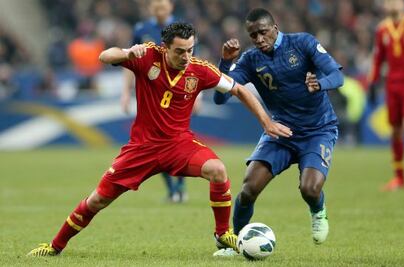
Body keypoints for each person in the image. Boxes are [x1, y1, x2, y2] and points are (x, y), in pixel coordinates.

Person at [27, 22, 292, 257]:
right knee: (97, 200)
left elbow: (239, 90)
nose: (187, 56)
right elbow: (105, 56)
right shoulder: (147, 56)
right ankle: (55, 246)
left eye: (191, 50)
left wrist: (266, 122)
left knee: (218, 170)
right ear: (165, 48)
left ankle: (223, 233)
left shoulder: (200, 70)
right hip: (141, 149)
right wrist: (128, 52)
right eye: (180, 51)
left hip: (179, 146)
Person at [212, 8, 343, 256]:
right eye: (253, 35)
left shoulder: (303, 43)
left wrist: (320, 84)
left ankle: (318, 210)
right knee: (249, 189)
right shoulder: (251, 60)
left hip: (318, 130)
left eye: (262, 32)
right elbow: (220, 98)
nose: (259, 39)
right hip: (280, 130)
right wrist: (226, 63)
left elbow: (337, 75)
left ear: (274, 27)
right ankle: (237, 243)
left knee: (310, 189)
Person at [122, 0, 187, 202]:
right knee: (156, 142)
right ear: (150, 9)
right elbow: (130, 60)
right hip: (152, 92)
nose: (160, 11)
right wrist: (125, 92)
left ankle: (180, 187)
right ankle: (173, 190)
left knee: (178, 140)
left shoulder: (181, 28)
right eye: (156, 7)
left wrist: (198, 93)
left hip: (177, 91)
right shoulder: (142, 29)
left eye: (163, 7)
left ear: (171, 8)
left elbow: (193, 60)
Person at [368, 0, 404, 191]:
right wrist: (372, 82)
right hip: (392, 84)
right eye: (389, 1)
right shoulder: (382, 30)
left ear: (403, 4)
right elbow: (379, 59)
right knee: (395, 131)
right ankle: (399, 177)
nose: (392, 4)